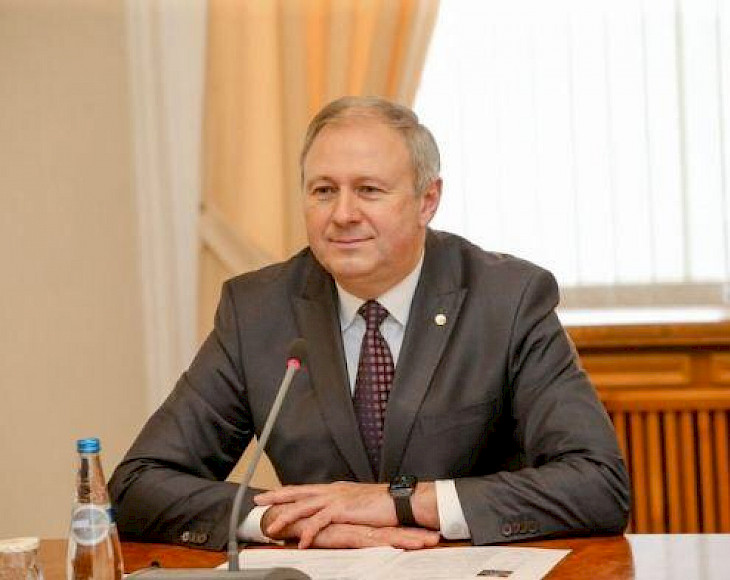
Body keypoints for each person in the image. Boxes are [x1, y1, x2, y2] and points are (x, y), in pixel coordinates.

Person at [109, 96, 630, 551]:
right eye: (323, 191)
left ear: (427, 200)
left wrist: (400, 502)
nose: (343, 214)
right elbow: (137, 486)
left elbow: (597, 484)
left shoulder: (507, 300)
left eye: (369, 190)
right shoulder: (257, 310)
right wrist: (286, 520)